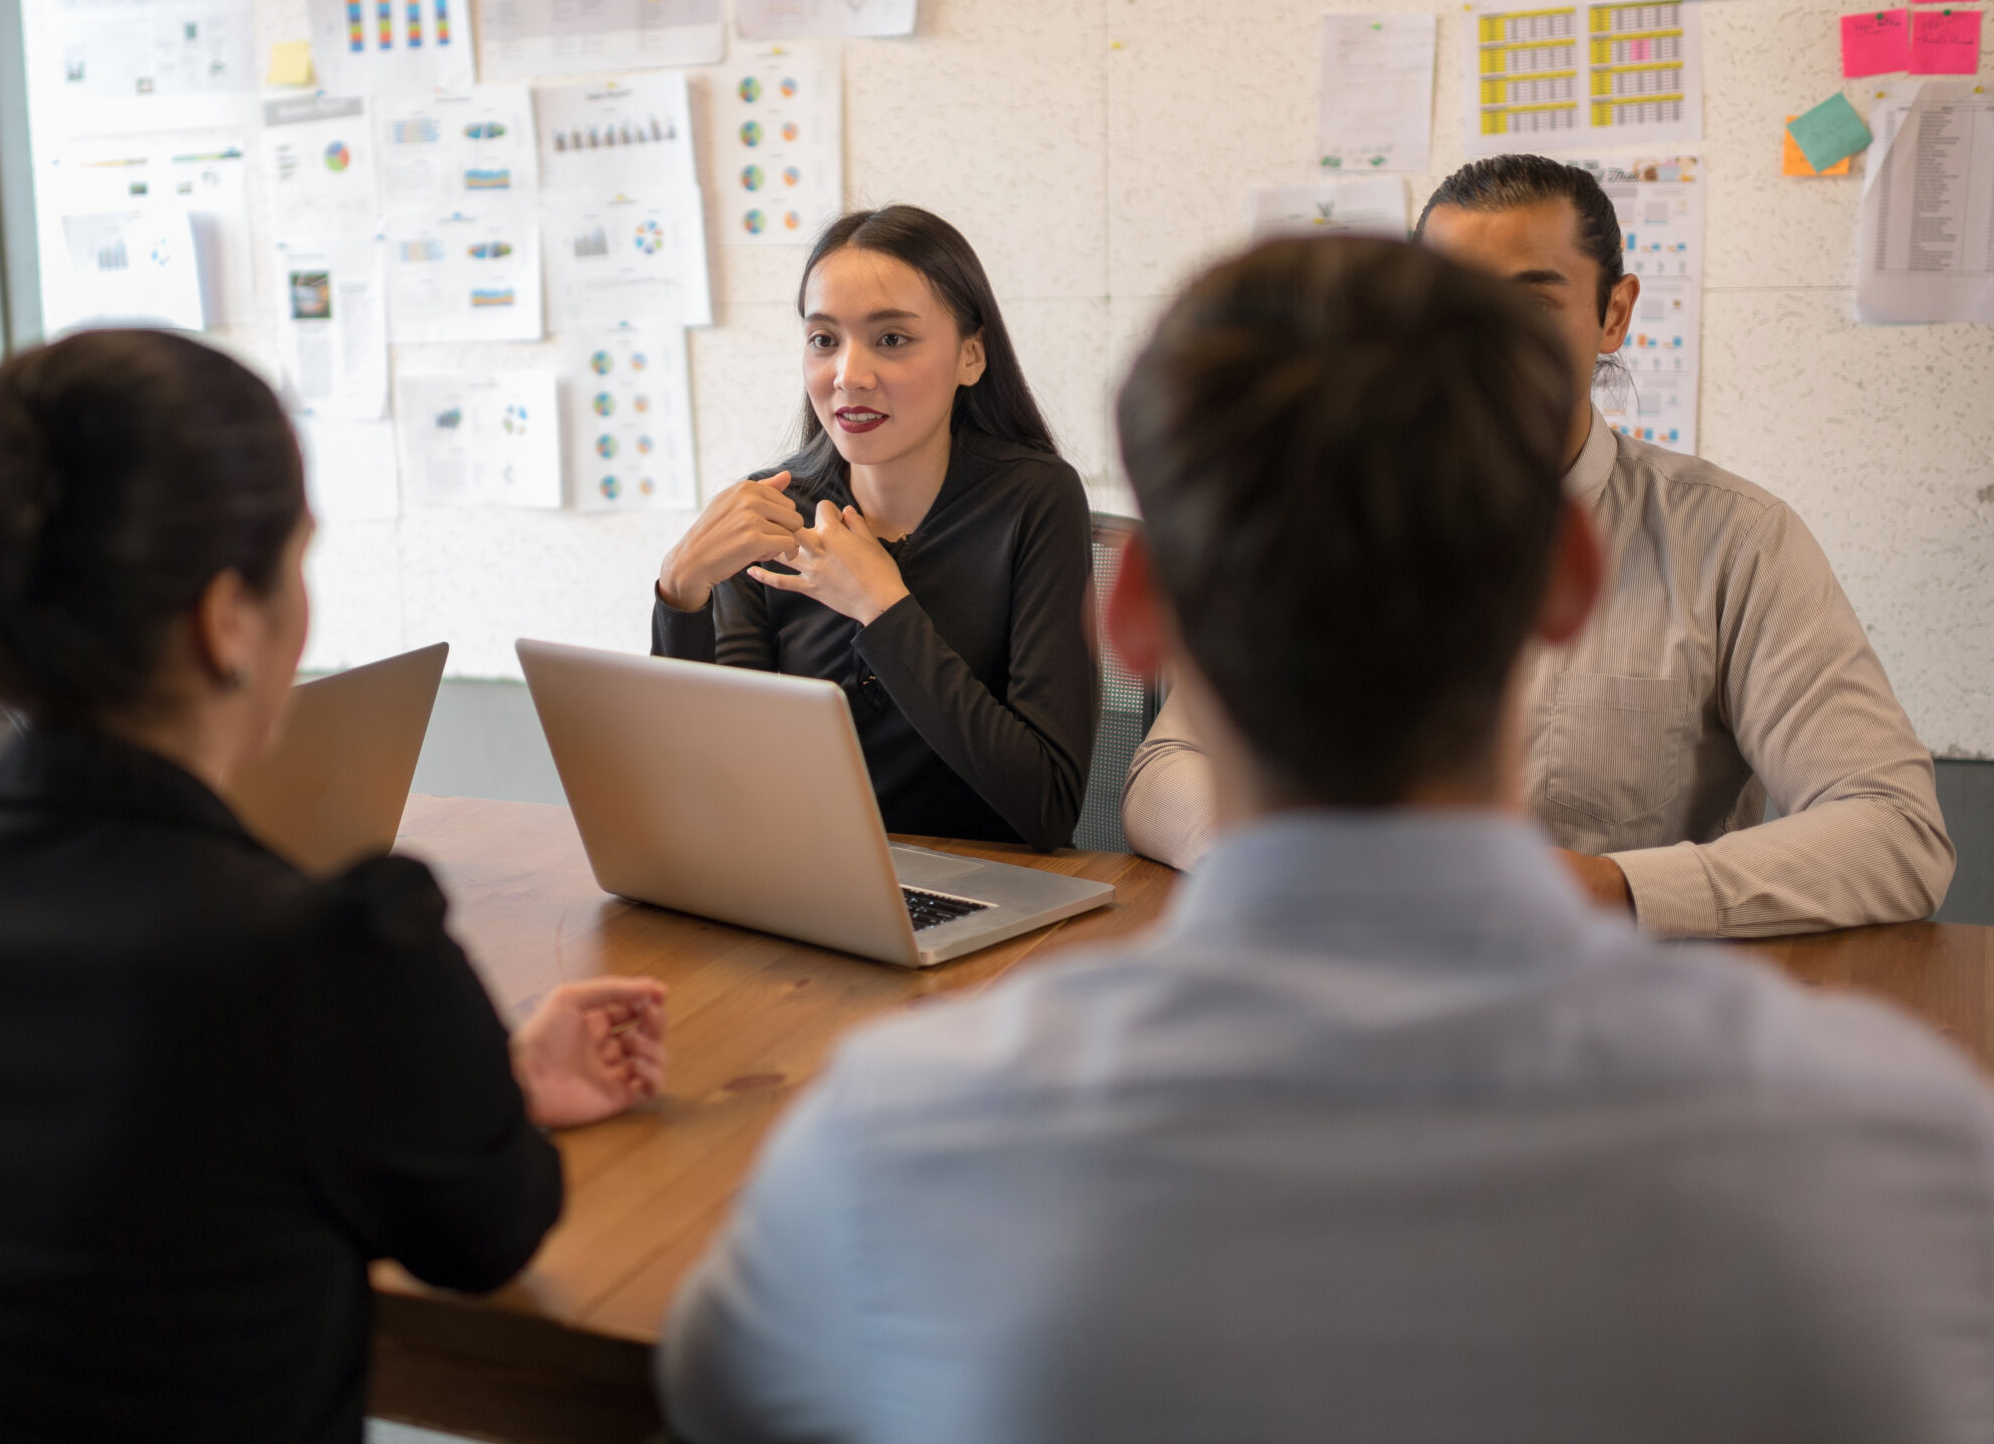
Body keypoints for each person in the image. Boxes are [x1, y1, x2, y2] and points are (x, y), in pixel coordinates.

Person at [658, 237, 1994, 1444]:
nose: (852, 371)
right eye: (826, 336)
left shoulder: (891, 1142)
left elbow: (718, 1398)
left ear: (1136, 625)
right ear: (1568, 585)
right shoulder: (1900, 1153)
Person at [0, 328, 668, 1443]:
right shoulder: (319, 955)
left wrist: (464, 1075)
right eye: (297, 564)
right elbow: (488, 1231)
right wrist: (465, 1084)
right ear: (227, 619)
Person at [1124, 154, 1952, 936]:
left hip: (1619, 1011)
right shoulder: (1338, 506)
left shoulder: (1735, 538)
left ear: (1613, 314)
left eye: (1526, 307)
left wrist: (1611, 886)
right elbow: (1166, 766)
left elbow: (1896, 826)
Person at [651, 206, 1098, 849]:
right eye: (824, 340)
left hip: (999, 894)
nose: (848, 377)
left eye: (891, 339)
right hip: (805, 883)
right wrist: (680, 591)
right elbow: (716, 790)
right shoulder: (772, 510)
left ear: (971, 356)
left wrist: (882, 606)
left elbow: (1048, 806)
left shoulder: (1035, 498)